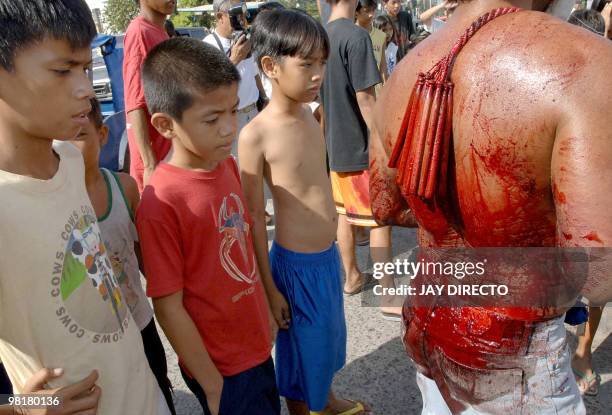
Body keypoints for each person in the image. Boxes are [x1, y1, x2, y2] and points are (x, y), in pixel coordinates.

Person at [369, 0, 612, 412]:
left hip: (429, 323)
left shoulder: (410, 65)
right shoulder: (585, 62)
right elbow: (599, 275)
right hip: (514, 355)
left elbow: (384, 205)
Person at [0, 1, 169, 414]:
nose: (86, 88)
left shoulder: (72, 159)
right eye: (63, 70)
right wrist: (16, 403)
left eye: (85, 66)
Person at [137, 37, 280, 415]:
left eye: (233, 111)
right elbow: (168, 308)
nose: (229, 129)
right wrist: (212, 385)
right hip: (221, 369)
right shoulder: (161, 202)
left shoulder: (226, 166)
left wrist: (264, 303)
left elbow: (244, 248)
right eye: (212, 119)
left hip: (256, 349)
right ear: (166, 125)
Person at [242, 8, 370, 415]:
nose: (318, 74)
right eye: (307, 64)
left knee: (328, 343)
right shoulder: (256, 135)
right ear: (270, 66)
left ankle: (325, 400)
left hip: (326, 259)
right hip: (293, 268)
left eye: (322, 63)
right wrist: (268, 287)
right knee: (301, 352)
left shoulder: (311, 115)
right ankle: (306, 410)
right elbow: (251, 221)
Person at [69, 98, 176, 414]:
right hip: (94, 339)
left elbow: (147, 260)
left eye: (78, 136)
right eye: (57, 140)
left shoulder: (125, 188)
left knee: (158, 392)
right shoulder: (56, 204)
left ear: (102, 135)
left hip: (140, 323)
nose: (67, 148)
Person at [321, 0, 399, 318]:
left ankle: (351, 277)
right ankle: (386, 294)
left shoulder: (320, 35)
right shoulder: (357, 36)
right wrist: (385, 144)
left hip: (334, 144)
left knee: (345, 216)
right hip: (360, 146)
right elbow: (366, 99)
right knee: (379, 219)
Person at [123, 0, 175, 192]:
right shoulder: (139, 31)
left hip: (170, 154)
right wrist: (149, 163)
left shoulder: (161, 32)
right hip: (155, 163)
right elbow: (134, 102)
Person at [204, 0, 269, 151]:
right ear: (220, 17)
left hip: (255, 112)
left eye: (244, 15)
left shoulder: (243, 39)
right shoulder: (208, 46)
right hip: (232, 118)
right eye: (236, 14)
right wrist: (234, 59)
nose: (242, 20)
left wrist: (264, 98)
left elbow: (254, 73)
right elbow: (208, 85)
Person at [355, 0, 388, 92]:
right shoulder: (349, 35)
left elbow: (382, 65)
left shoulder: (381, 36)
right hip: (357, 92)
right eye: (367, 11)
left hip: (377, 91)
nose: (371, 14)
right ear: (356, 12)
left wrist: (385, 87)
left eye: (373, 10)